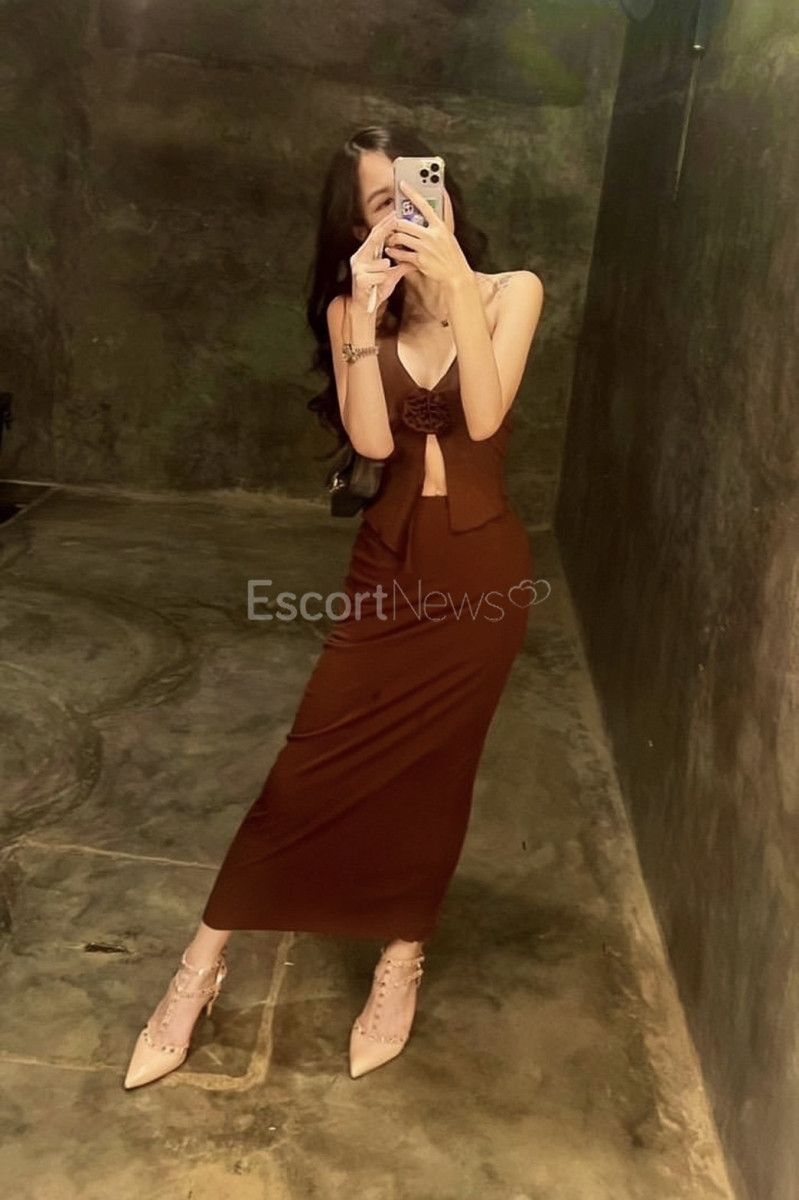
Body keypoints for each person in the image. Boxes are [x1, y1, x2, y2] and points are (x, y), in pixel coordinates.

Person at [123, 124, 544, 1089]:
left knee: (436, 776)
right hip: (387, 568)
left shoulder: (508, 291)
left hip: (481, 576)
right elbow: (374, 442)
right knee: (304, 769)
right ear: (357, 227)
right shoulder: (355, 306)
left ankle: (401, 961)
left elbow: (483, 416)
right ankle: (198, 970)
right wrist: (362, 308)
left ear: (446, 192)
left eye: (420, 191)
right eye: (383, 204)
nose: (410, 212)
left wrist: (452, 283)